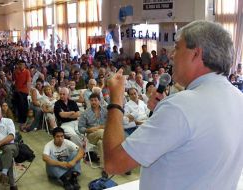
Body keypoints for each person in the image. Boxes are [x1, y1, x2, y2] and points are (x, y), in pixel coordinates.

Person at [103, 20, 243, 190]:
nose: (171, 55)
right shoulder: (238, 98)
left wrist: (116, 100)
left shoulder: (180, 107)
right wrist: (163, 112)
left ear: (196, 54)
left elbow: (114, 163)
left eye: (177, 47)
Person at [78, 93, 107, 173]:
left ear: (99, 101)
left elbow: (110, 123)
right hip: (91, 136)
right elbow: (80, 128)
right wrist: (88, 130)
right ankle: (116, 159)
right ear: (89, 101)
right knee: (102, 132)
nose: (93, 102)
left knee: (101, 143)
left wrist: (99, 127)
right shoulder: (85, 113)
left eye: (95, 100)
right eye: (92, 100)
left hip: (103, 135)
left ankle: (104, 167)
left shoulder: (105, 111)